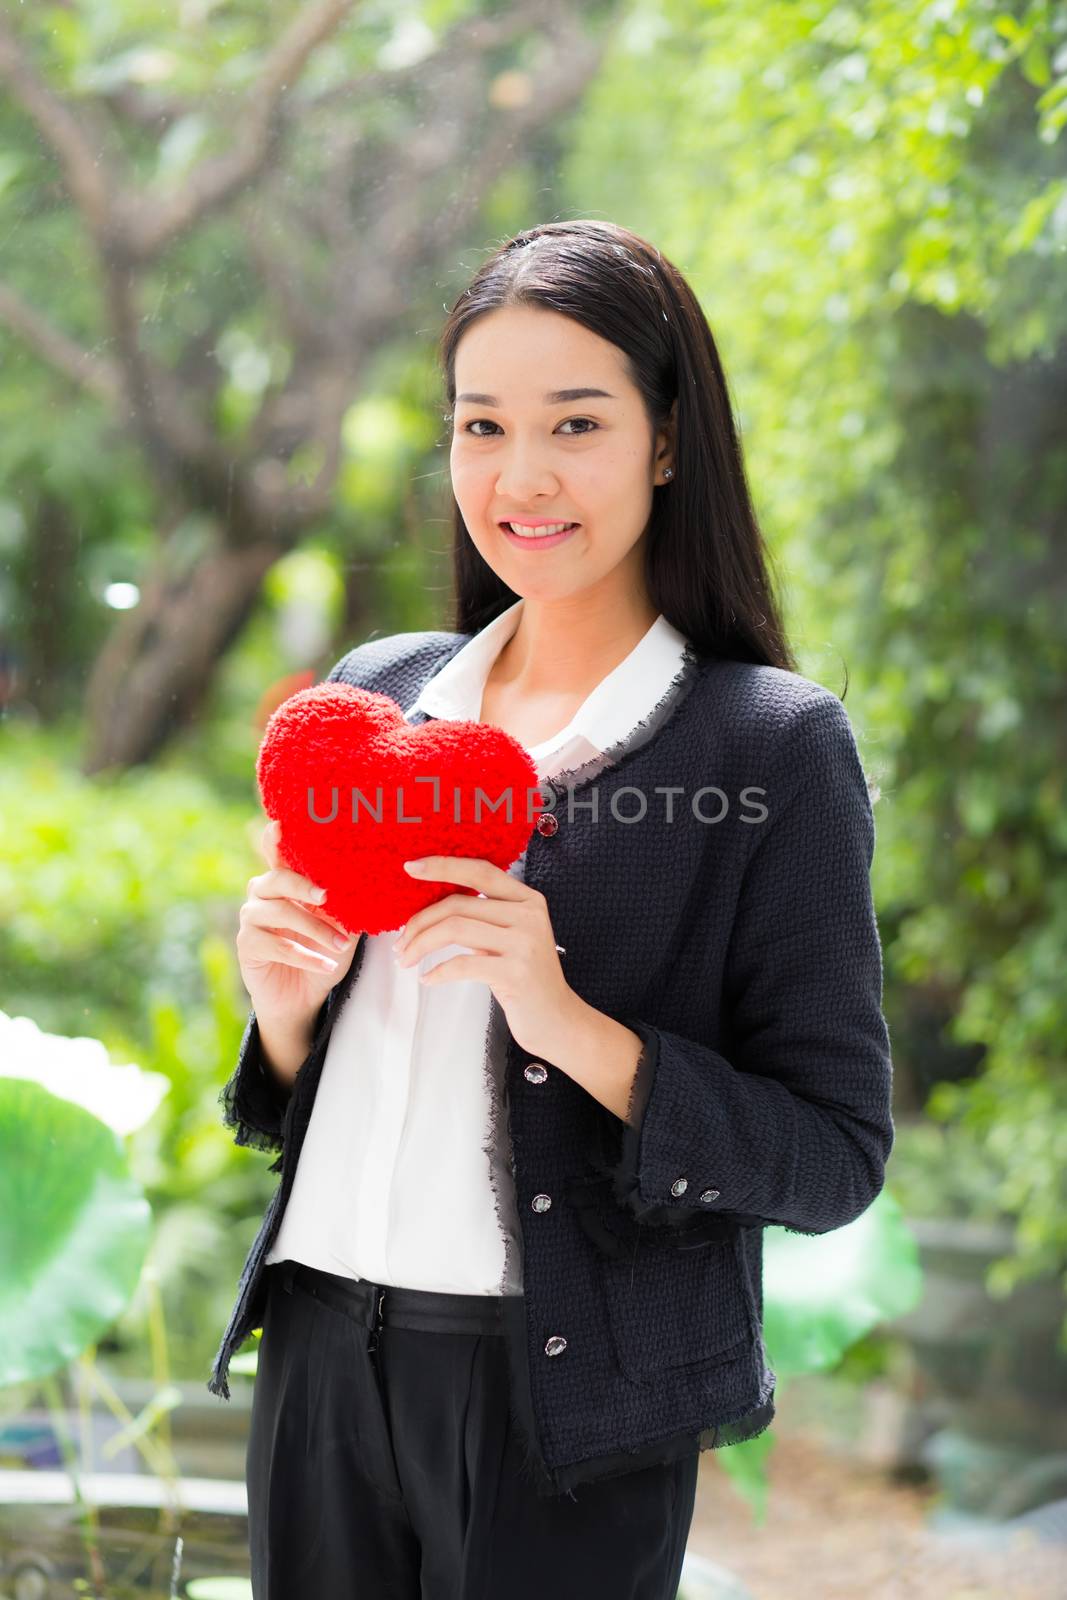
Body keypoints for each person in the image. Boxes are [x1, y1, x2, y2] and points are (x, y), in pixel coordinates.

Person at [212, 219, 895, 1599]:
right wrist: (284, 1022)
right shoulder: (380, 697)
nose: (520, 476)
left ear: (663, 439)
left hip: (558, 1404)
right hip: (319, 1358)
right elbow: (325, 1097)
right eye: (481, 426)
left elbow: (833, 1156)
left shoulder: (766, 746)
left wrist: (568, 1019)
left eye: (575, 422)